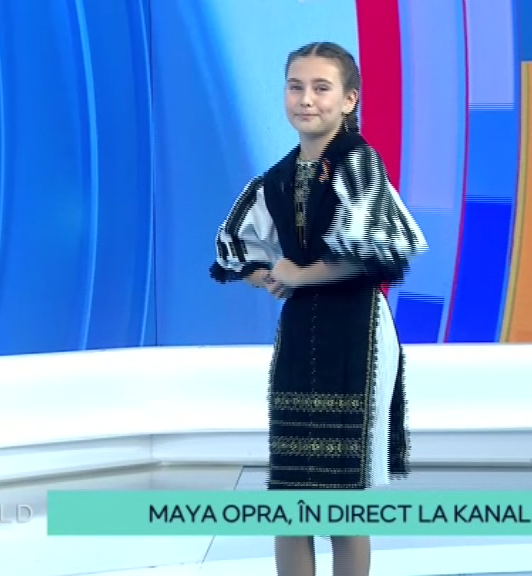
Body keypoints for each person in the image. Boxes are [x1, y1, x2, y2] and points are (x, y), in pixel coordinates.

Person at [209, 41, 428, 576]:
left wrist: (299, 274)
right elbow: (239, 247)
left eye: (321, 87)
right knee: (291, 492)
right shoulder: (277, 177)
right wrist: (266, 275)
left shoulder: (360, 162)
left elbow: (375, 253)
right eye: (296, 86)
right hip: (300, 331)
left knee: (342, 495)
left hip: (355, 332)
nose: (306, 99)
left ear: (349, 99)